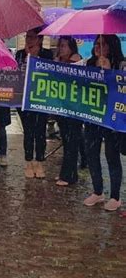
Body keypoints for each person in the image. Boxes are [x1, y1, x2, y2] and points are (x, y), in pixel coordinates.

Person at [83, 35, 124, 212]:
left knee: (112, 156)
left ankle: (115, 196)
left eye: (102, 44)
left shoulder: (121, 65)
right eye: (96, 44)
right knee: (91, 153)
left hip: (112, 118)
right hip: (93, 116)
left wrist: (109, 72)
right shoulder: (90, 63)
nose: (98, 47)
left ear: (112, 46)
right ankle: (97, 190)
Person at [16, 27, 53, 179]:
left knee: (40, 131)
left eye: (32, 37)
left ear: (39, 39)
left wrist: (35, 58)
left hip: (41, 98)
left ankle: (39, 161)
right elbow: (16, 73)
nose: (28, 39)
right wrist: (27, 58)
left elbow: (49, 74)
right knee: (28, 131)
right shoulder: (20, 54)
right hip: (23, 99)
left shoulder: (47, 54)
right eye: (27, 36)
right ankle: (28, 161)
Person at [54, 36, 84, 186]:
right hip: (62, 107)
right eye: (60, 46)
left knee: (72, 141)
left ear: (72, 47)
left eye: (64, 46)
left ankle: (69, 175)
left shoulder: (76, 61)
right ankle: (66, 172)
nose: (61, 49)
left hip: (74, 109)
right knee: (66, 141)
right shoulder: (60, 61)